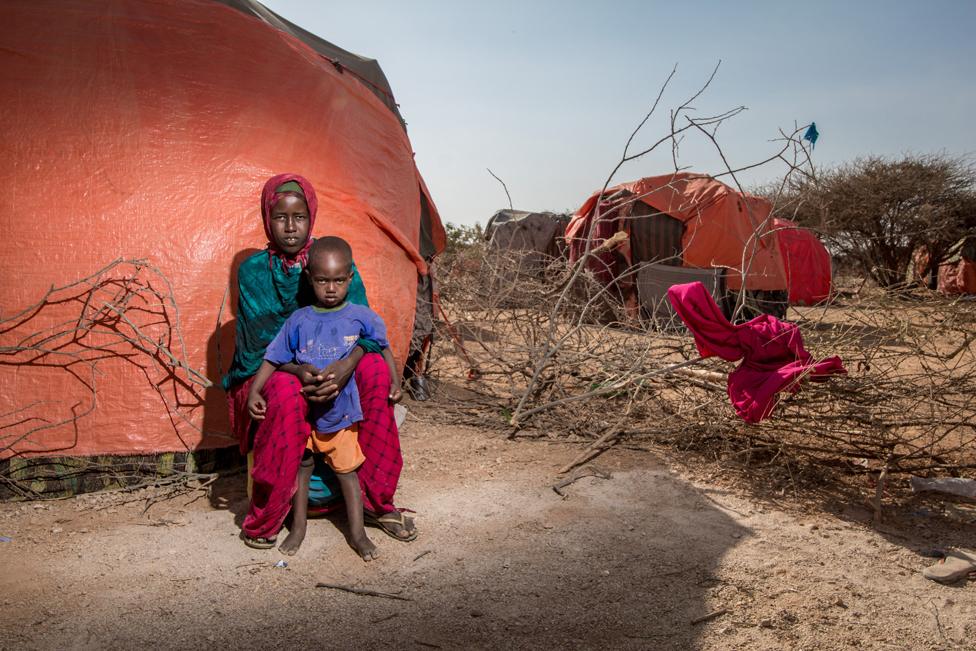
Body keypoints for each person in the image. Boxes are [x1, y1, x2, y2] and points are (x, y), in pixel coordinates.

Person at [223, 173, 417, 553]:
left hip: (335, 365)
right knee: (285, 391)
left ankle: (378, 501)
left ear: (312, 217)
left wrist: (347, 365)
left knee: (375, 369)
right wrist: (299, 370)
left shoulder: (333, 260)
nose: (290, 226)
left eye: (300, 217)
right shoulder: (253, 272)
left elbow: (364, 329)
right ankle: (270, 514)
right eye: (280, 217)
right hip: (277, 371)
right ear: (267, 217)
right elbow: (263, 348)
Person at [247, 237, 399, 560]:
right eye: (322, 280)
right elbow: (273, 357)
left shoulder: (360, 316)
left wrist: (395, 382)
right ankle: (298, 528)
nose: (330, 288)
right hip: (309, 416)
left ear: (350, 279)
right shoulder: (299, 320)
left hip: (341, 416)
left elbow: (382, 346)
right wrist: (255, 390)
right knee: (302, 470)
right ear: (309, 279)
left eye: (338, 281)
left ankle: (357, 534)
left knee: (348, 472)